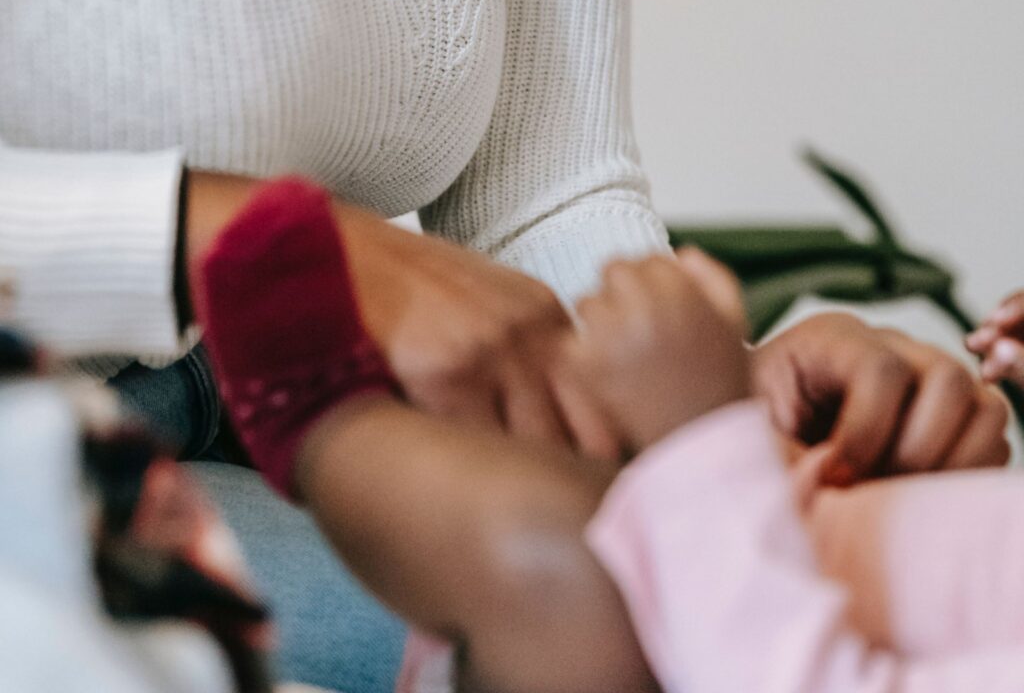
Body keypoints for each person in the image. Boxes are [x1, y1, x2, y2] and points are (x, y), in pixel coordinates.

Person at [0, 0, 1008, 686]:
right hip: (33, 421)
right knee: (615, 620)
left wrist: (714, 408)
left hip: (277, 404)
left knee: (686, 609)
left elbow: (544, 188)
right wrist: (241, 239)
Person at [194, 177, 1017, 693]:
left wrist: (701, 432)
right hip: (730, 556)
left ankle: (324, 425)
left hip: (619, 654)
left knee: (558, 560)